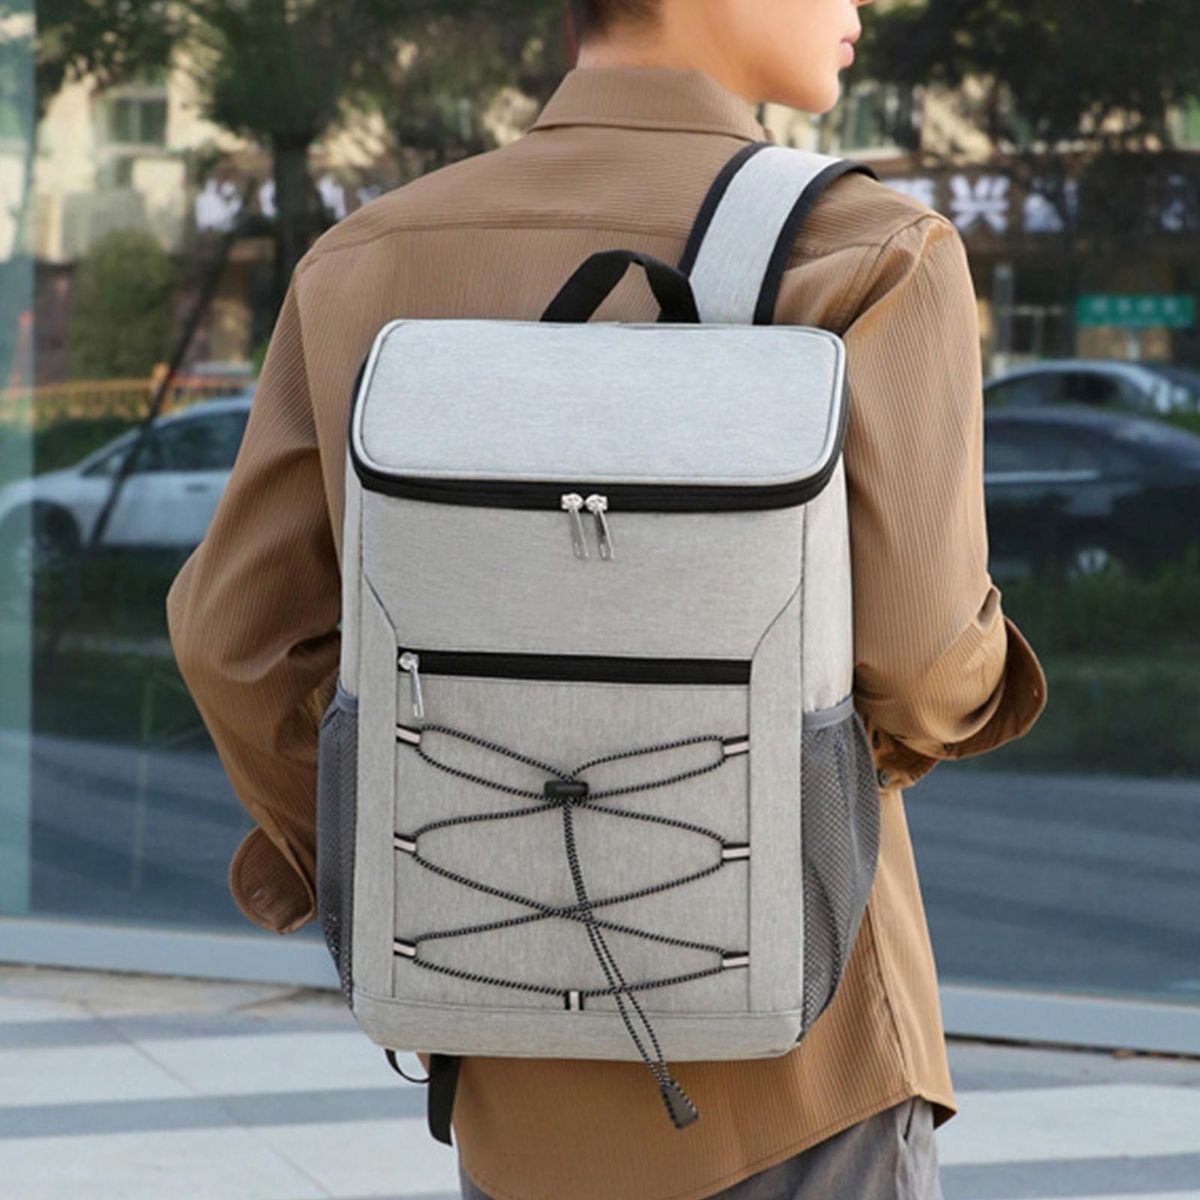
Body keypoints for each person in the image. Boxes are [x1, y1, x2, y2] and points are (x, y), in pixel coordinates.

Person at [166, 1, 1049, 1197]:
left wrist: (414, 852)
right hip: (802, 1067)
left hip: (501, 1047)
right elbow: (926, 662)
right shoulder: (874, 252)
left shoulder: (366, 261)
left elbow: (232, 642)